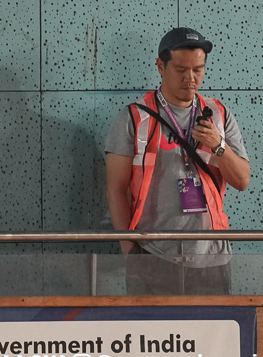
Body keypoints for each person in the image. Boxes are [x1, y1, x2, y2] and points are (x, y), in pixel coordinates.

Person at [102, 27, 251, 295]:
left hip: (212, 256)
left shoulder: (219, 114)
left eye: (198, 69)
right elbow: (116, 189)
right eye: (181, 70)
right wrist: (130, 250)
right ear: (161, 66)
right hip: (152, 255)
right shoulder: (134, 118)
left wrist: (218, 145)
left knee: (211, 336)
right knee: (154, 337)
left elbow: (242, 180)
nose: (190, 78)